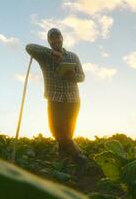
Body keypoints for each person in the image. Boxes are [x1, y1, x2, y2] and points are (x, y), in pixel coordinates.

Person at [25, 28, 88, 171]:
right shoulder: (44, 56)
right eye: (51, 38)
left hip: (73, 99)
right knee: (57, 132)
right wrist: (52, 53)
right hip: (54, 99)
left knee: (67, 134)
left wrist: (74, 77)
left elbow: (82, 77)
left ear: (62, 38)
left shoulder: (73, 56)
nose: (55, 40)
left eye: (57, 37)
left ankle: (64, 165)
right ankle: (81, 159)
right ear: (49, 41)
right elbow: (29, 47)